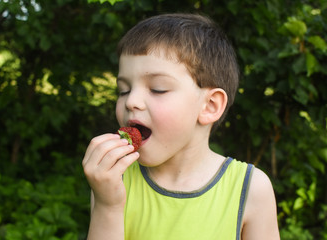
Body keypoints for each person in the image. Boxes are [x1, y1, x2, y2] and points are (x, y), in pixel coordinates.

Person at [82, 13, 280, 240]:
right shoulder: (113, 180)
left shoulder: (250, 189)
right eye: (124, 90)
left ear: (209, 106)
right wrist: (108, 206)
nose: (131, 101)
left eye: (157, 89)